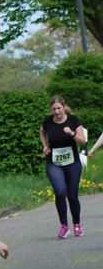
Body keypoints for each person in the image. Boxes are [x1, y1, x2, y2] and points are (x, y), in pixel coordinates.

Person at [39, 96, 86, 238]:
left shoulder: (73, 120)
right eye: (54, 109)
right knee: (60, 192)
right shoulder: (48, 121)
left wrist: (72, 133)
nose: (57, 111)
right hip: (54, 163)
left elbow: (82, 141)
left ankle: (77, 224)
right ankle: (64, 226)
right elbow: (42, 131)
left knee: (72, 195)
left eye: (59, 108)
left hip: (72, 163)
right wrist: (45, 146)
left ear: (64, 107)